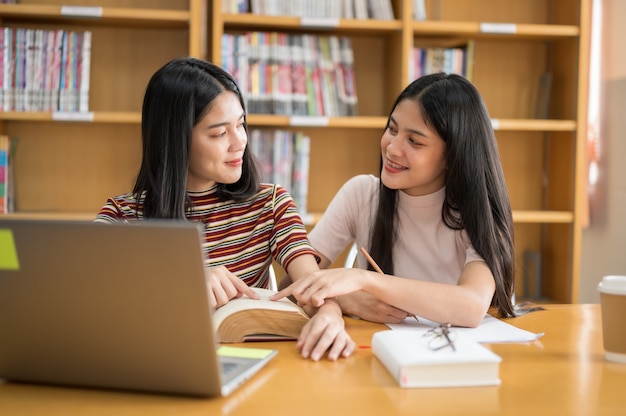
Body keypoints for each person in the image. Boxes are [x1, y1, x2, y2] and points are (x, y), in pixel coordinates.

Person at [95, 57, 354, 361]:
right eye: (219, 133)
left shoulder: (270, 204)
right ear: (175, 140)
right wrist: (185, 279)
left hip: (249, 363)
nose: (239, 142)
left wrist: (330, 315)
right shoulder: (122, 216)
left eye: (241, 124)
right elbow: (84, 296)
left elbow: (313, 286)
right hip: (152, 362)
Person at [273, 73, 516, 328]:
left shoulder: (478, 212)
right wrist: (346, 300)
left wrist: (364, 281)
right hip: (377, 350)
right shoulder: (361, 195)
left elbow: (472, 306)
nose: (392, 148)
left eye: (414, 141)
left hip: (454, 359)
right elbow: (292, 287)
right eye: (392, 129)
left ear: (452, 155)